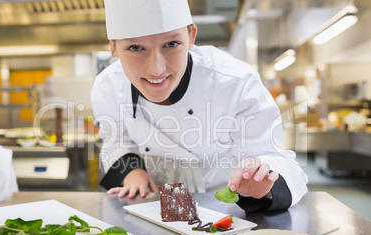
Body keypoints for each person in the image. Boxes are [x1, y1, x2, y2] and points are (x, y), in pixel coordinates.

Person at [91, 0, 308, 212]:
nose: (156, 69)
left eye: (171, 44)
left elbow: (275, 157)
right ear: (114, 47)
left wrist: (263, 187)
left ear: (191, 36)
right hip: (154, 210)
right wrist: (132, 171)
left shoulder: (236, 83)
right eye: (135, 47)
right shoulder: (108, 87)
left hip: (230, 211)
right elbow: (117, 141)